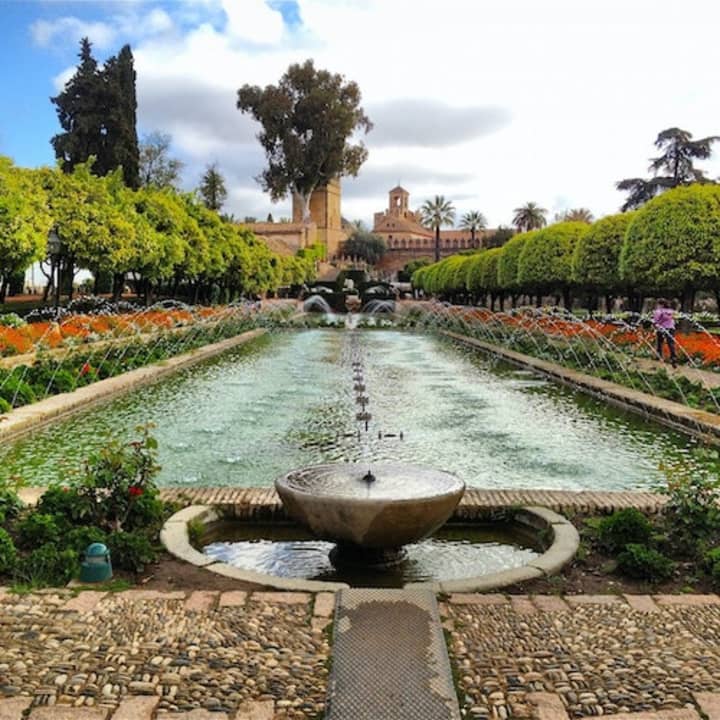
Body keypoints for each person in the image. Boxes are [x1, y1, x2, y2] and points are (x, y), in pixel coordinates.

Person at [653, 298, 677, 368]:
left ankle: (660, 356)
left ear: (661, 304)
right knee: (671, 344)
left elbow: (655, 321)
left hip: (662, 328)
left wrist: (654, 326)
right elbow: (674, 319)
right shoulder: (671, 311)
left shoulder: (658, 311)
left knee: (660, 342)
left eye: (658, 304)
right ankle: (673, 357)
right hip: (671, 328)